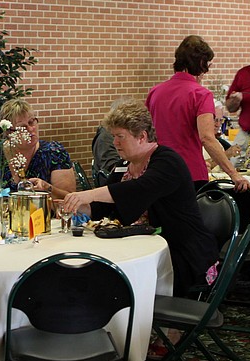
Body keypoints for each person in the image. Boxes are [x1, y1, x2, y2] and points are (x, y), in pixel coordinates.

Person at [62, 101, 218, 297]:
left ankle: (145, 319)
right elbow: (103, 208)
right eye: (114, 137)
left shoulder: (167, 161)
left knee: (111, 276)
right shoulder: (123, 166)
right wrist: (75, 206)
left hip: (180, 251)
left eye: (120, 137)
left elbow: (137, 190)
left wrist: (89, 193)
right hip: (138, 244)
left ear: (142, 136)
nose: (115, 143)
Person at [146, 35, 250, 192]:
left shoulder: (155, 92)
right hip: (189, 174)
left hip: (157, 171)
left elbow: (147, 135)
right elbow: (207, 138)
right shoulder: (201, 94)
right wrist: (234, 174)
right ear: (201, 64)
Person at [0, 99, 76, 214]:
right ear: (8, 132)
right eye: (22, 127)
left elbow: (70, 199)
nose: (31, 129)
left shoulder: (55, 153)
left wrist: (48, 188)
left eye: (32, 122)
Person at [205, 101, 242, 170]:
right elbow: (199, 167)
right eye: (215, 120)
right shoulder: (194, 142)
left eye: (221, 120)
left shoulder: (218, 143)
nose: (218, 125)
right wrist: (225, 155)